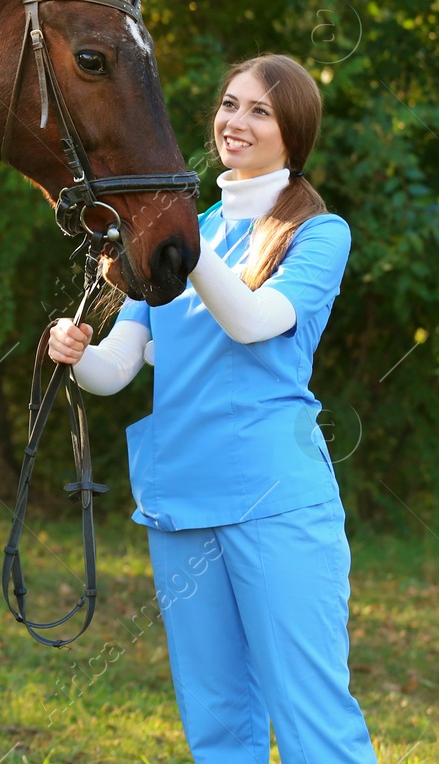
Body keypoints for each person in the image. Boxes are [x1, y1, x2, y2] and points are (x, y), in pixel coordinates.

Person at [48, 53, 377, 763]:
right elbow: (117, 368)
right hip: (182, 506)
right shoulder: (181, 230)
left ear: (294, 132)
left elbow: (255, 321)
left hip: (277, 504)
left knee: (312, 717)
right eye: (231, 104)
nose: (237, 121)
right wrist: (77, 350)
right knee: (218, 724)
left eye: (260, 110)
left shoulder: (318, 234)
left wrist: (183, 246)